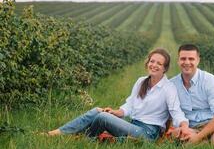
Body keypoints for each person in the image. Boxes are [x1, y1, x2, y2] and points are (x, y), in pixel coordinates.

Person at [47, 48, 189, 142]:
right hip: (133, 125)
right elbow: (130, 106)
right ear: (148, 62)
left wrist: (183, 125)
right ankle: (60, 133)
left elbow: (176, 111)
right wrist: (116, 112)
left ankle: (82, 138)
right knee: (98, 111)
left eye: (159, 63)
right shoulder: (141, 81)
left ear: (165, 68)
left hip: (147, 133)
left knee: (102, 117)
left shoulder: (168, 88)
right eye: (152, 61)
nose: (154, 65)